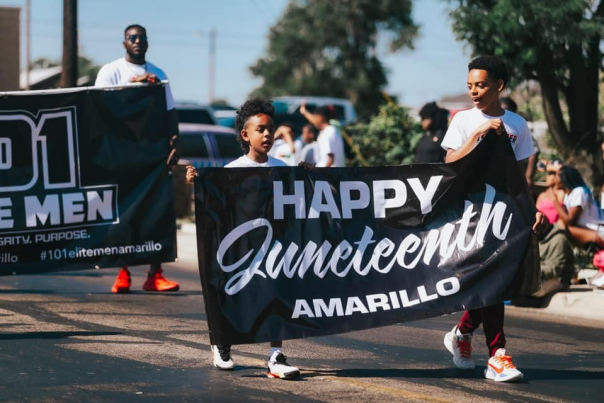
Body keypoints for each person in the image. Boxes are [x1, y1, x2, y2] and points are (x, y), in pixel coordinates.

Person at [440, 55, 547, 382]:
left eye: (481, 85)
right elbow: (450, 164)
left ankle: (464, 332)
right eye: (470, 85)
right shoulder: (462, 120)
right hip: (470, 213)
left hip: (505, 212)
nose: (474, 91)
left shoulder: (517, 124)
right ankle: (497, 354)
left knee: (496, 280)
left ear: (499, 86)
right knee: (491, 281)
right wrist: (479, 134)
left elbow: (519, 177)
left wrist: (532, 209)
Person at [186, 98, 300, 380]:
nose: (267, 135)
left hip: (274, 247)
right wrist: (197, 184)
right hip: (241, 249)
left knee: (277, 296)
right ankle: (222, 342)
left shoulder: (282, 167)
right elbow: (214, 206)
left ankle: (276, 355)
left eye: (270, 129)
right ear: (245, 135)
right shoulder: (232, 170)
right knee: (236, 297)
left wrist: (309, 176)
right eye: (260, 129)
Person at [95, 24, 180, 294]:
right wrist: (132, 87)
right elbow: (97, 106)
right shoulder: (112, 71)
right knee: (126, 212)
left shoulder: (159, 74)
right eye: (132, 38)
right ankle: (123, 273)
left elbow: (170, 112)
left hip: (153, 153)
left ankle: (155, 274)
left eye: (142, 38)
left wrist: (175, 142)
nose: (137, 42)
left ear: (147, 42)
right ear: (124, 43)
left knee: (157, 211)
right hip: (123, 152)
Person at [550, 165, 604, 248]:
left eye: (557, 177)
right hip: (588, 231)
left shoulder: (579, 191)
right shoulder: (569, 195)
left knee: (561, 227)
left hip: (599, 231)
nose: (554, 180)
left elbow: (570, 221)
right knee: (559, 224)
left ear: (564, 179)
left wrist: (555, 201)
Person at [500, 97, 540, 188]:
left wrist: (528, 177)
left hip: (515, 177)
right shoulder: (492, 127)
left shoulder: (518, 128)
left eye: (506, 111)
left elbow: (534, 152)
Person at [299, 102, 345, 167]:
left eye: (315, 117)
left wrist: (322, 175)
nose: (313, 120)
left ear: (320, 117)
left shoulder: (328, 132)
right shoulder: (330, 130)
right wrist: (304, 112)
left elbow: (330, 159)